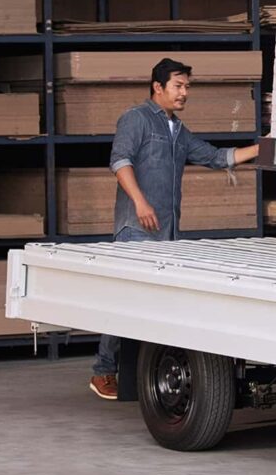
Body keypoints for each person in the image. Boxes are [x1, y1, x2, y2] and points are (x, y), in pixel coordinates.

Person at [89, 57, 260, 400]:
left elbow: (217, 158)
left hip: (167, 234)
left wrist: (265, 146)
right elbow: (119, 160)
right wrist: (139, 201)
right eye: (178, 86)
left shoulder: (179, 130)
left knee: (151, 304)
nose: (184, 93)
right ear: (158, 87)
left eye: (187, 87)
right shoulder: (136, 119)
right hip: (135, 229)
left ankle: (140, 375)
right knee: (124, 300)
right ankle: (103, 371)